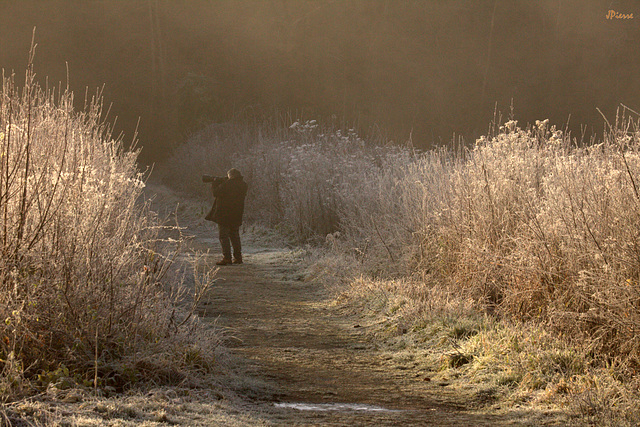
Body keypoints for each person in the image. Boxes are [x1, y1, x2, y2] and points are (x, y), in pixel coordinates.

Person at [204, 168, 248, 265]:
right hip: (236, 214)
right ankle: (238, 257)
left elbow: (215, 193)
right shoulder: (243, 185)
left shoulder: (227, 184)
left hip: (224, 214)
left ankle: (227, 258)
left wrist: (215, 182)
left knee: (224, 236)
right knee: (235, 236)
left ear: (231, 176)